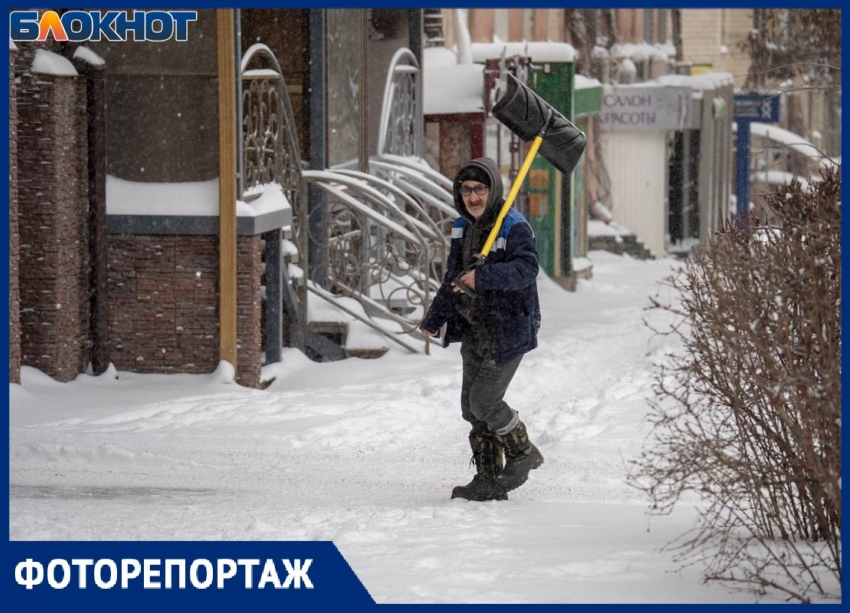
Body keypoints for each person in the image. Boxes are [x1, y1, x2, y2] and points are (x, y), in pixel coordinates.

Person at [420, 157, 544, 502]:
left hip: (509, 328)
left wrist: (484, 276)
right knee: (469, 407)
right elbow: (453, 278)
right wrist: (434, 318)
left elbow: (527, 269)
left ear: (493, 190)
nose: (473, 196)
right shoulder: (462, 226)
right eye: (467, 189)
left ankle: (524, 452)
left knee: (485, 401)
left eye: (480, 189)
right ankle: (487, 477)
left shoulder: (513, 226)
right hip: (475, 328)